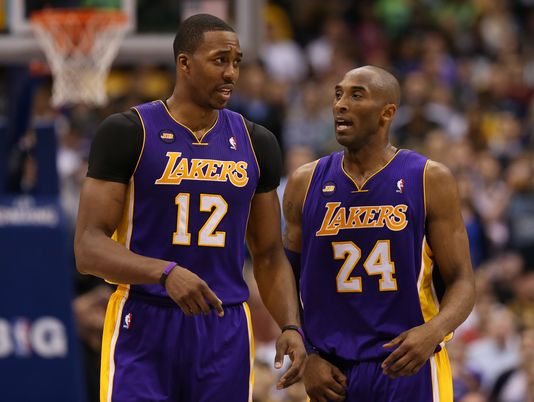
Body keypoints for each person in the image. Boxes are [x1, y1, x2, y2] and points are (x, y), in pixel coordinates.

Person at [74, 14, 306, 402]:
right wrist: (164, 273)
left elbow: (267, 253)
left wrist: (290, 325)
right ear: (184, 63)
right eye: (219, 60)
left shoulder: (257, 143)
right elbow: (88, 248)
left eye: (236, 62)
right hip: (144, 318)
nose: (231, 73)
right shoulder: (128, 132)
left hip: (224, 326)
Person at [282, 65, 476, 402]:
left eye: (356, 95)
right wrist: (307, 350)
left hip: (409, 363)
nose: (341, 104)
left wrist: (433, 332)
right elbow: (285, 273)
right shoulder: (304, 182)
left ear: (387, 113)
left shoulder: (429, 179)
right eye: (338, 94)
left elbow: (463, 281)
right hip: (332, 372)